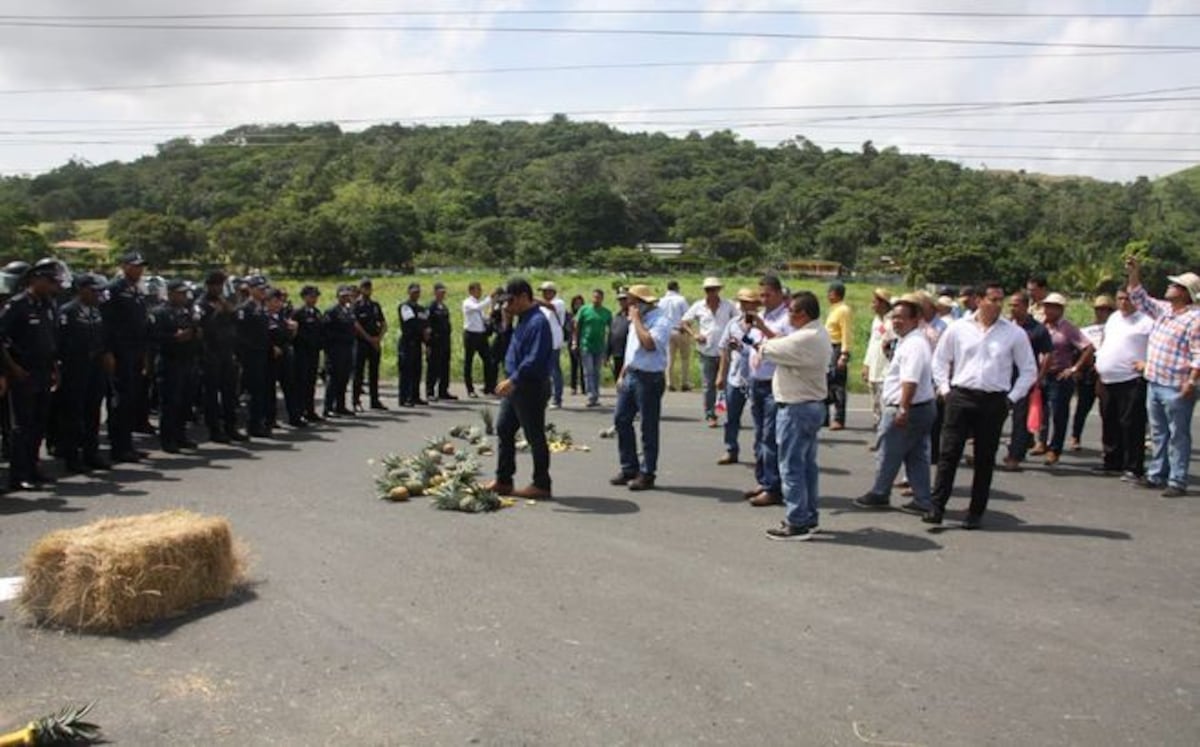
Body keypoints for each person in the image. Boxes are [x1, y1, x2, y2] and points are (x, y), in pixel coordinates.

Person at [924, 282, 1037, 529]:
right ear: (978, 300)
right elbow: (940, 360)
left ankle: (976, 512)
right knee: (948, 453)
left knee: (984, 458)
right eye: (992, 299)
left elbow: (1029, 370)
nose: (998, 305)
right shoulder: (958, 328)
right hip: (961, 396)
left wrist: (1012, 398)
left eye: (1000, 300)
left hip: (994, 400)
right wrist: (945, 390)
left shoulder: (1014, 333)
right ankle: (937, 507)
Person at [854, 294, 937, 514]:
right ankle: (922, 499)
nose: (896, 321)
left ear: (915, 319)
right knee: (916, 455)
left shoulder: (914, 344)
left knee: (889, 451)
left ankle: (880, 493)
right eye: (894, 317)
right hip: (920, 407)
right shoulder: (908, 341)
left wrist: (903, 408)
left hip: (908, 407)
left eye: (902, 317)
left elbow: (910, 379)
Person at [760, 291, 831, 541]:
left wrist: (762, 341)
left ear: (803, 314)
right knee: (807, 466)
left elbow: (768, 348)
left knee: (790, 467)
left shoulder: (805, 337)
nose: (788, 315)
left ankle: (797, 522)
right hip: (809, 406)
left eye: (791, 311)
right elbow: (780, 344)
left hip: (796, 408)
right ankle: (808, 516)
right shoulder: (816, 332)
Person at [1126, 258, 1200, 498]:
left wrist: (1192, 381)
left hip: (1176, 384)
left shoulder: (1195, 319)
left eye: (1175, 285)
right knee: (1159, 432)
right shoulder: (1165, 310)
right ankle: (1157, 474)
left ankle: (1177, 479)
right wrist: (1134, 273)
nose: (1169, 287)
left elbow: (1198, 354)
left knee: (1178, 434)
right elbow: (1139, 297)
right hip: (1156, 380)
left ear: (1185, 293)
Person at [486, 279, 555, 500]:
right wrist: (506, 325)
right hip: (515, 386)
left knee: (534, 435)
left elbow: (535, 358)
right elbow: (508, 349)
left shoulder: (538, 322)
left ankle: (541, 484)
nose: (507, 306)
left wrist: (514, 380)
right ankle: (504, 480)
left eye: (511, 301)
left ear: (524, 297)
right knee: (504, 429)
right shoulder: (522, 320)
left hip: (529, 386)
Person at [0, 260, 62, 490]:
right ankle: (19, 474)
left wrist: (55, 368)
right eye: (49, 281)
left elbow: (50, 340)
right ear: (35, 279)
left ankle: (34, 466)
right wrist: (12, 367)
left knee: (39, 424)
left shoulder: (47, 304)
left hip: (44, 371)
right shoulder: (17, 305)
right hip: (23, 372)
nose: (52, 285)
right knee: (22, 426)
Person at [611, 284, 673, 491]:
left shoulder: (660, 320)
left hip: (649, 378)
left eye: (630, 301)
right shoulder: (635, 320)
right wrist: (622, 373)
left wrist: (637, 320)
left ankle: (647, 473)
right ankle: (629, 467)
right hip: (631, 374)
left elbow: (649, 344)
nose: (627, 305)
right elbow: (632, 350)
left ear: (640, 303)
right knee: (621, 419)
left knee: (648, 426)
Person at [744, 275, 793, 507]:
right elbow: (755, 344)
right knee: (759, 435)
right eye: (761, 295)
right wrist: (746, 334)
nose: (763, 299)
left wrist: (762, 327)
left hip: (775, 382)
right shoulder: (761, 315)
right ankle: (763, 480)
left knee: (770, 436)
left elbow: (785, 345)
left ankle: (773, 487)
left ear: (780, 294)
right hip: (757, 379)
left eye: (768, 295)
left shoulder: (787, 317)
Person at [1094, 288, 1153, 480]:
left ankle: (1133, 466)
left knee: (1131, 424)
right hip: (1108, 378)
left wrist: (1147, 363)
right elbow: (1105, 341)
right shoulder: (1113, 318)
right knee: (1109, 420)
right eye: (1120, 298)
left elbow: (1156, 345)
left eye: (1128, 298)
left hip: (1131, 378)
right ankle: (1112, 461)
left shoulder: (1146, 321)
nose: (1124, 302)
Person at [55, 273, 112, 473]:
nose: (97, 294)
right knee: (73, 414)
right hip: (74, 368)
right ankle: (72, 457)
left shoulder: (96, 311)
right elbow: (60, 342)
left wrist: (105, 354)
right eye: (92, 290)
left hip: (95, 367)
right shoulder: (68, 311)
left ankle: (91, 453)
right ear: (80, 290)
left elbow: (102, 336)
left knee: (93, 412)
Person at [100, 250, 151, 462]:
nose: (139, 270)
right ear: (124, 266)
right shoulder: (113, 289)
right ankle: (119, 447)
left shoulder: (137, 290)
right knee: (119, 400)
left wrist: (144, 353)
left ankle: (127, 444)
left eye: (141, 266)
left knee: (131, 399)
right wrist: (107, 351)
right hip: (119, 351)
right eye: (134, 266)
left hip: (135, 351)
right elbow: (105, 323)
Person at [1038, 293, 1094, 466]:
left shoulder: (1067, 328)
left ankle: (1055, 449)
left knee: (1058, 414)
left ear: (1061, 310)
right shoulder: (1041, 326)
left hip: (1059, 375)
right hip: (1040, 374)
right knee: (1041, 412)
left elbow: (1088, 347)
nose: (1049, 310)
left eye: (1053, 307)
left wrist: (1074, 368)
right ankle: (1041, 442)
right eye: (1047, 306)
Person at [1001, 290, 1052, 470]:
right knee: (995, 416)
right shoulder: (1005, 327)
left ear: (1025, 306)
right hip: (1003, 377)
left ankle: (1015, 455)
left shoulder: (1038, 329)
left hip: (1024, 379)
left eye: (1016, 305)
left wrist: (1040, 377)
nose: (1012, 308)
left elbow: (1048, 353)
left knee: (1020, 419)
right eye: (1010, 305)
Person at [151, 279, 202, 452]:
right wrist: (174, 338)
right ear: (170, 294)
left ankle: (181, 435)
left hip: (188, 360)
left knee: (185, 402)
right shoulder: (160, 312)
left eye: (184, 293)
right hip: (169, 361)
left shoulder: (187, 312)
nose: (183, 297)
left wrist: (195, 333)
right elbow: (154, 337)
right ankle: (168, 439)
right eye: (180, 293)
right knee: (170, 402)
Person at [681, 277, 737, 427]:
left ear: (719, 290)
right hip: (706, 350)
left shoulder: (728, 305)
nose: (710, 292)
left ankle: (730, 414)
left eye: (713, 289)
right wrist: (694, 334)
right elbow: (684, 322)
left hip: (726, 351)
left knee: (727, 384)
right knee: (708, 385)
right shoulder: (698, 306)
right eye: (708, 290)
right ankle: (711, 414)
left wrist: (734, 336)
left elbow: (739, 321)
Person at [197, 270, 245, 443]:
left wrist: (229, 309)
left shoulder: (223, 301)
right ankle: (215, 430)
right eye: (216, 285)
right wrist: (217, 312)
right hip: (211, 353)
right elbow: (203, 328)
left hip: (227, 352)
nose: (218, 288)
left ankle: (231, 427)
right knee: (211, 394)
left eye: (221, 285)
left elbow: (236, 321)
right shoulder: (202, 304)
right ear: (209, 286)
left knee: (229, 393)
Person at [716, 288, 760, 465]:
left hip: (756, 377)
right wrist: (721, 374)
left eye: (748, 302)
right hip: (736, 376)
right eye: (742, 302)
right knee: (731, 417)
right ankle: (730, 448)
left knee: (759, 419)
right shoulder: (733, 323)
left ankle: (760, 452)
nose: (744, 305)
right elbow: (724, 349)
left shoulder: (762, 324)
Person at [1069, 296, 1113, 451]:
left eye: (1106, 310)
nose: (1102, 312)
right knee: (1083, 406)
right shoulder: (1086, 330)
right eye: (1099, 309)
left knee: (1106, 409)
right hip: (1088, 370)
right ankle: (1075, 436)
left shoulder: (1116, 329)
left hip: (1106, 371)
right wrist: (1077, 369)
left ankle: (1107, 441)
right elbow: (1077, 350)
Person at [266, 288, 303, 428]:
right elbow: (260, 336)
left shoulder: (281, 317)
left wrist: (294, 329)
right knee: (270, 389)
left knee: (290, 386)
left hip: (285, 355)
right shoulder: (264, 317)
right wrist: (271, 347)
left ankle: (294, 416)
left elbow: (289, 337)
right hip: (270, 356)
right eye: (275, 301)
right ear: (267, 302)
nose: (278, 304)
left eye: (280, 301)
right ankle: (270, 419)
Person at [861, 288, 894, 433]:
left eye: (875, 302)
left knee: (884, 399)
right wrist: (866, 364)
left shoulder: (892, 320)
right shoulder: (876, 321)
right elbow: (872, 344)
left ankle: (885, 430)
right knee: (875, 400)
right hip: (874, 365)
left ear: (883, 303)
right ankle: (878, 426)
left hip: (886, 368)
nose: (872, 305)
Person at [573, 289, 613, 408]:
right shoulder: (584, 310)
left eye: (598, 297)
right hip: (586, 345)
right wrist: (575, 342)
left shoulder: (606, 312)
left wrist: (609, 347)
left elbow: (611, 329)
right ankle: (591, 396)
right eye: (594, 297)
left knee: (596, 372)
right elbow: (576, 326)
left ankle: (596, 395)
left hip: (599, 346)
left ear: (602, 299)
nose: (596, 299)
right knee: (588, 371)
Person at [323, 285, 359, 417]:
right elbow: (327, 331)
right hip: (335, 349)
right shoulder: (331, 311)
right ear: (337, 296)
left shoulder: (349, 311)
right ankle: (328, 407)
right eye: (343, 296)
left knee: (344, 378)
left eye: (347, 296)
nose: (345, 298)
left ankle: (340, 406)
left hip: (347, 348)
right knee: (333, 379)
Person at [352, 278, 387, 411]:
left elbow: (383, 323)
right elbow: (356, 325)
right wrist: (369, 338)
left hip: (374, 342)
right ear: (360, 289)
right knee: (358, 373)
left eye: (369, 287)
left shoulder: (375, 305)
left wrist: (378, 338)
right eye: (365, 287)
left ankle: (374, 400)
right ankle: (356, 400)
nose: (367, 290)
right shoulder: (356, 305)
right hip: (361, 342)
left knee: (374, 373)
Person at [292, 285, 324, 422]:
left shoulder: (317, 312)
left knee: (311, 381)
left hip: (313, 352)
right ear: (304, 297)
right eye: (311, 296)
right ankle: (299, 411)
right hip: (301, 352)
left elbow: (321, 331)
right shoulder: (298, 313)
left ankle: (310, 410)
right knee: (301, 382)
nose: (314, 299)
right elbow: (295, 333)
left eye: (316, 296)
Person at [824, 280, 853, 430]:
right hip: (828, 347)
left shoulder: (843, 310)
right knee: (826, 382)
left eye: (830, 292)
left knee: (838, 384)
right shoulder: (833, 309)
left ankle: (839, 419)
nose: (828, 295)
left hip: (838, 348)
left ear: (836, 294)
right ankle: (824, 417)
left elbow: (846, 332)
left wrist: (844, 354)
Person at [462, 281, 496, 398]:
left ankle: (489, 387)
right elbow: (477, 308)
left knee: (488, 360)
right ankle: (470, 389)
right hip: (470, 335)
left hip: (481, 335)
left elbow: (483, 317)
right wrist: (489, 298)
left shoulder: (478, 303)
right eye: (478, 289)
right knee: (469, 362)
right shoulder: (468, 302)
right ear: (471, 291)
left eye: (480, 289)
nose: (480, 292)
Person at [398, 283, 429, 407]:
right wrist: (422, 328)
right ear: (409, 292)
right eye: (414, 292)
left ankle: (415, 396)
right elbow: (411, 323)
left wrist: (426, 341)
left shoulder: (421, 308)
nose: (416, 294)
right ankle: (404, 397)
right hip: (407, 342)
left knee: (417, 370)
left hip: (417, 342)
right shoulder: (405, 306)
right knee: (406, 371)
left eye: (417, 292)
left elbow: (425, 324)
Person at [537, 281, 567, 408]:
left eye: (546, 291)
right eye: (543, 292)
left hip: (554, 340)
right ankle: (544, 396)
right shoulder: (541, 307)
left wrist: (534, 299)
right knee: (543, 371)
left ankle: (557, 398)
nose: (543, 294)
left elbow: (550, 306)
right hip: (543, 340)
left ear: (552, 292)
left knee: (554, 370)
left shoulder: (558, 302)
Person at [426, 282, 456, 401]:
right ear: (435, 292)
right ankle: (430, 391)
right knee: (433, 367)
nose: (442, 294)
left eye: (444, 292)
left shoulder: (444, 307)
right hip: (435, 341)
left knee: (444, 366)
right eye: (440, 292)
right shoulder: (431, 307)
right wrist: (428, 343)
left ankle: (443, 390)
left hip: (445, 340)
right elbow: (427, 324)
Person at [660, 280, 690, 392]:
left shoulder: (661, 301)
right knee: (684, 358)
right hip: (680, 330)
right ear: (677, 288)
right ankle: (684, 382)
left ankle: (669, 382)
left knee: (669, 358)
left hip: (667, 331)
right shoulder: (681, 299)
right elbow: (687, 315)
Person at [608, 288, 631, 381]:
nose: (622, 302)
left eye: (624, 299)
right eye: (620, 300)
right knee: (618, 379)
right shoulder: (616, 317)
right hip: (617, 353)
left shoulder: (634, 316)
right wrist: (607, 353)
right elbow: (611, 335)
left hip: (629, 354)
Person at [566, 294, 585, 396]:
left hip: (582, 341)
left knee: (583, 365)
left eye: (580, 303)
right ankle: (573, 387)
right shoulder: (569, 315)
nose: (578, 305)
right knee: (573, 365)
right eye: (576, 303)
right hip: (571, 341)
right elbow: (567, 327)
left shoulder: (584, 314)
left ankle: (584, 387)